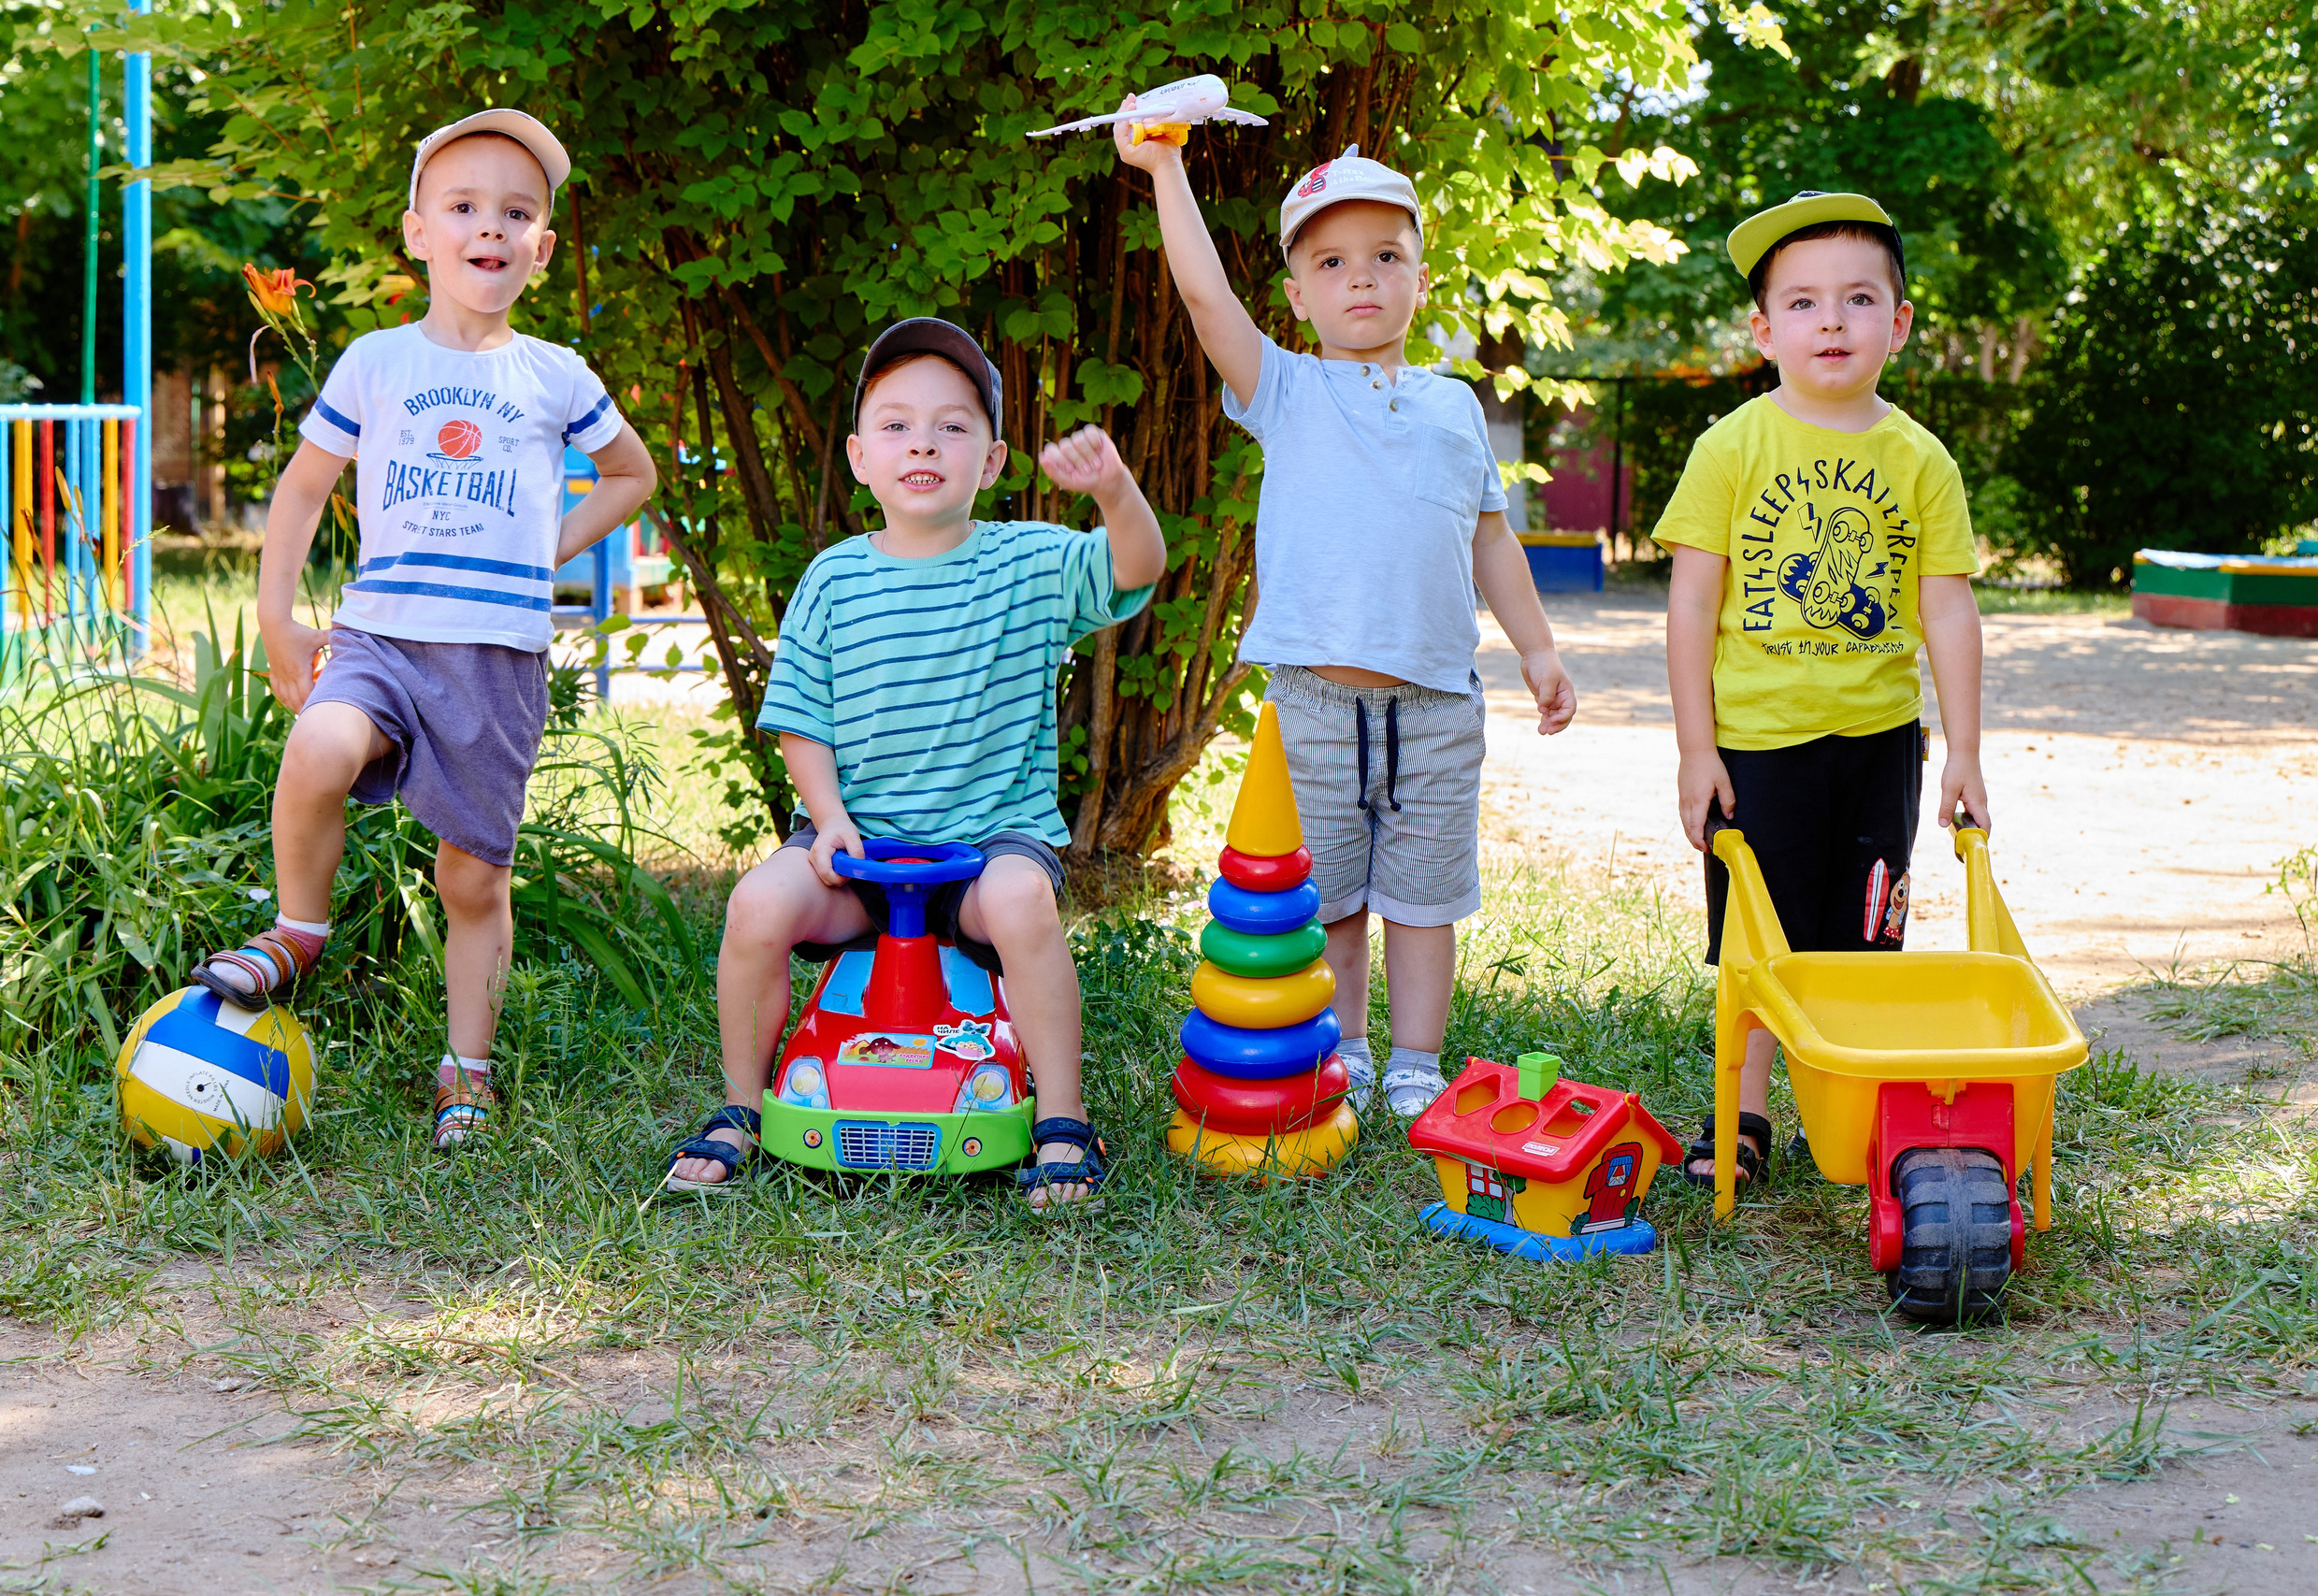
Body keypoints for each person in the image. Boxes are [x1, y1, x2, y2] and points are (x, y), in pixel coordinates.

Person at [191, 110, 656, 1151]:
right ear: (416, 234)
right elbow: (306, 488)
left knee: (470, 878)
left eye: (515, 213)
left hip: (494, 660)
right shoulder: (375, 362)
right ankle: (298, 932)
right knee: (318, 742)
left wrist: (549, 544)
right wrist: (278, 621)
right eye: (463, 207)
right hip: (380, 640)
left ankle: (467, 1071)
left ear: (539, 248)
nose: (488, 227)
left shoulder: (556, 375)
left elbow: (634, 476)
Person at [1116, 124, 1577, 1122]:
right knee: (1328, 901)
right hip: (1313, 709)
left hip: (1438, 708)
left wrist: (1537, 648)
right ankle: (1349, 1046)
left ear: (1420, 280)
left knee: (1420, 900)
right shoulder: (1285, 389)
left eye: (1384, 257)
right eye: (1330, 263)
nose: (1359, 280)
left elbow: (1490, 540)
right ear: (1296, 295)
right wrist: (1165, 168)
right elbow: (1204, 298)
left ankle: (1416, 1059)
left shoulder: (1454, 408)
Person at [666, 318, 1165, 1207]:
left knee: (1022, 899)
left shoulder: (1032, 563)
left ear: (995, 458)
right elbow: (801, 724)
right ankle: (742, 1104)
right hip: (857, 854)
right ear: (860, 457)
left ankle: (1062, 1119)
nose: (923, 441)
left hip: (988, 850)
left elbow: (1138, 566)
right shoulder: (831, 579)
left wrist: (1115, 490)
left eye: (952, 425)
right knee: (755, 903)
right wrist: (828, 819)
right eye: (895, 425)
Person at [1653, 191, 1987, 1188]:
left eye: (1856, 298)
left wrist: (1962, 749)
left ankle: (1861, 1108)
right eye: (1800, 303)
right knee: (1760, 939)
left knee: (1865, 938)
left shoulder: (1920, 459)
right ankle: (1743, 1114)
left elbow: (1949, 610)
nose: (1830, 320)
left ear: (1900, 322)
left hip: (1880, 741)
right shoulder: (1731, 448)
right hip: (1757, 743)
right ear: (1763, 331)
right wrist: (1695, 748)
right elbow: (1688, 606)